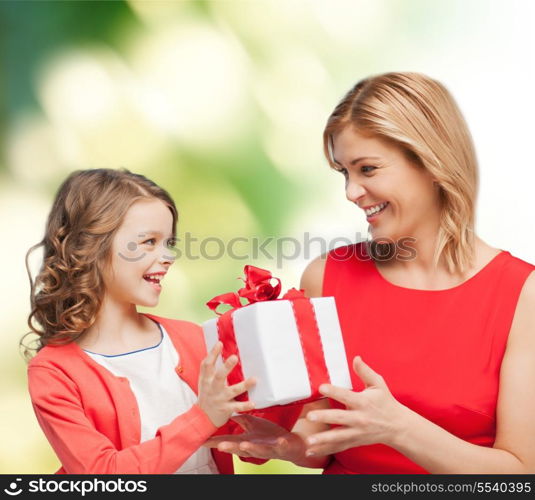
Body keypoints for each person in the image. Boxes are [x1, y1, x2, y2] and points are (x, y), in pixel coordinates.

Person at [206, 72, 535, 474]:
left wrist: (399, 428)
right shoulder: (326, 276)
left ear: (432, 163)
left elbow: (520, 474)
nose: (351, 192)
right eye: (345, 172)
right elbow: (326, 442)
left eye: (367, 169)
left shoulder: (521, 295)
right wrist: (291, 445)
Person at [23, 168, 299, 474]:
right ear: (89, 247)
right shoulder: (54, 372)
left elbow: (247, 444)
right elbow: (104, 475)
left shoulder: (191, 339)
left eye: (168, 242)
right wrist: (203, 417)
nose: (167, 256)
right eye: (148, 242)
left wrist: (285, 382)